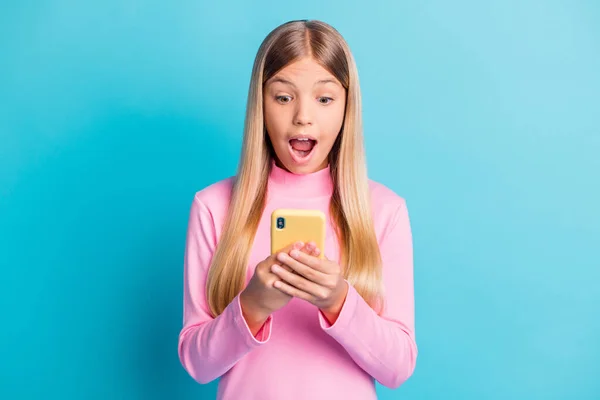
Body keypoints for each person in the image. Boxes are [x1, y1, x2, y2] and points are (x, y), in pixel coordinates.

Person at [178, 19, 417, 400]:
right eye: (283, 96)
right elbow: (197, 365)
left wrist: (337, 300)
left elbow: (398, 367)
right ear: (260, 104)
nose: (303, 116)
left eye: (324, 99)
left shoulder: (384, 210)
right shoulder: (213, 206)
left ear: (345, 108)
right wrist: (253, 304)